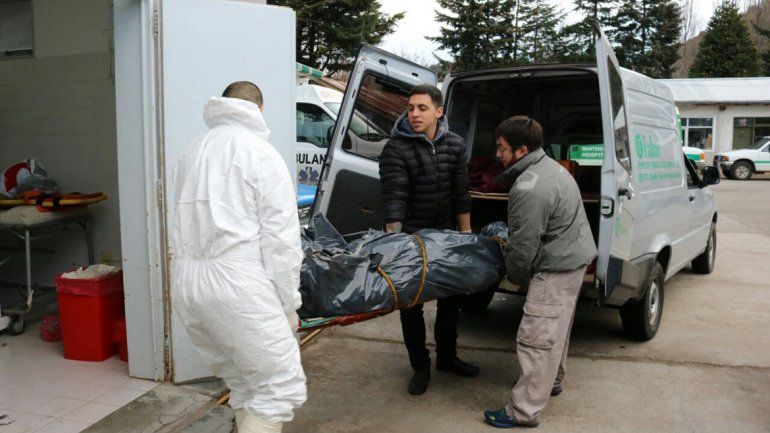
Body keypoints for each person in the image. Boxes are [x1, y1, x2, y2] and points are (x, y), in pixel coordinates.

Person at [170, 81, 305, 433]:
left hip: (188, 282)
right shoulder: (260, 153)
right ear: (259, 109)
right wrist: (289, 305)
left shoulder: (192, 151)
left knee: (243, 380)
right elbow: (282, 241)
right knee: (279, 386)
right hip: (238, 283)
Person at [484, 116, 597, 428]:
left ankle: (522, 411)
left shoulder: (529, 187)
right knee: (556, 327)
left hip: (555, 267)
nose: (497, 154)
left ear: (521, 150)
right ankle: (553, 381)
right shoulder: (553, 167)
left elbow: (523, 244)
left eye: (501, 148)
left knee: (536, 338)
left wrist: (514, 276)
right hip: (573, 261)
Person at [379, 84, 479, 396]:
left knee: (451, 301)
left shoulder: (455, 144)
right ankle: (420, 366)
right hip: (412, 238)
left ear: (439, 112)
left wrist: (466, 237)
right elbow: (395, 196)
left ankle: (447, 358)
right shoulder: (396, 147)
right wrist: (394, 242)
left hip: (447, 235)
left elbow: (461, 193)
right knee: (412, 305)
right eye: (410, 108)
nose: (414, 114)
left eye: (422, 108)